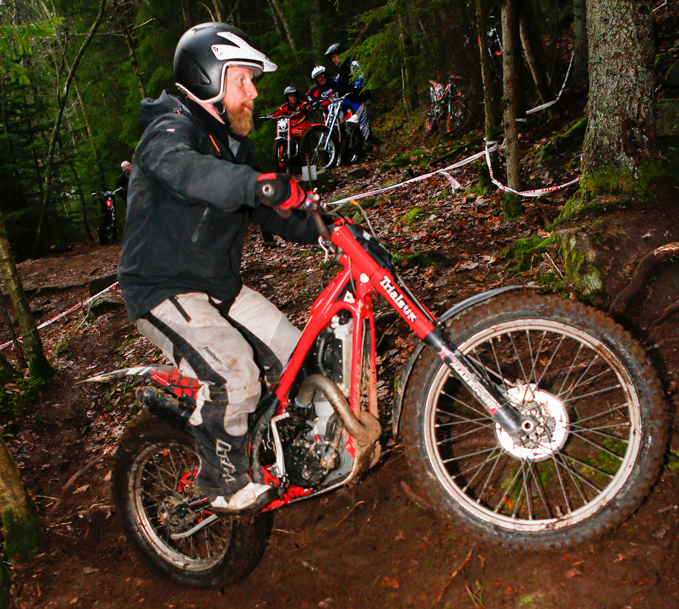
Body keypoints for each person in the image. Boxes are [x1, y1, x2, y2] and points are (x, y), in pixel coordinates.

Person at [117, 22, 323, 515]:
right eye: (242, 79)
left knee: (299, 356)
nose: (254, 91)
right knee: (234, 371)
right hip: (163, 289)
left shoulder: (233, 146)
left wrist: (325, 228)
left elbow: (269, 210)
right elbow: (188, 172)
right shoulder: (169, 129)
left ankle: (304, 450)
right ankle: (220, 481)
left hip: (218, 288)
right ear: (207, 78)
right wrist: (255, 184)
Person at [324, 43, 373, 150]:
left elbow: (360, 76)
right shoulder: (341, 70)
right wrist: (328, 79)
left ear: (341, 54)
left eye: (334, 57)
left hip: (359, 97)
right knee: (337, 112)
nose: (333, 60)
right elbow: (337, 85)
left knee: (363, 123)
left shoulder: (353, 64)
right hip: (348, 98)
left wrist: (356, 87)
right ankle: (345, 136)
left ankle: (369, 146)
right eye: (332, 58)